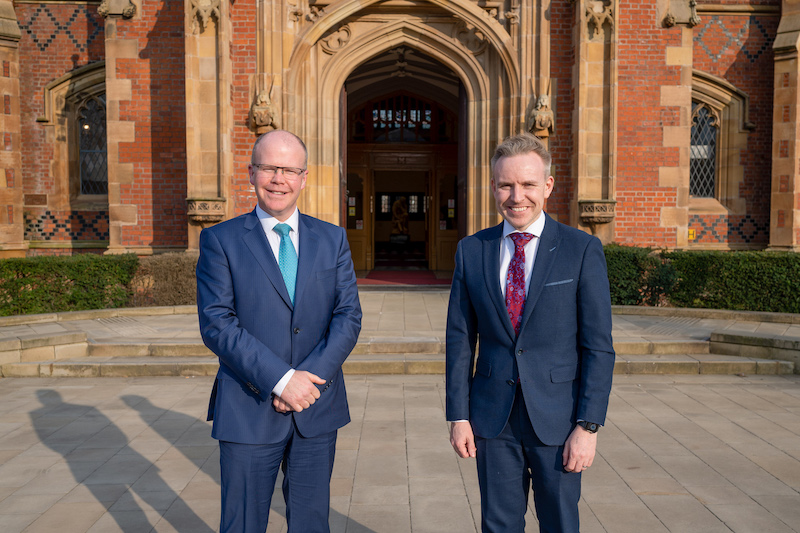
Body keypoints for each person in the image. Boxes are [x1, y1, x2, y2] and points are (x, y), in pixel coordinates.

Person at [445, 132, 615, 533]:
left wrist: (588, 426)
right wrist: (458, 415)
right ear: (493, 187)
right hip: (492, 418)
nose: (516, 196)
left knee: (559, 523)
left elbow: (598, 347)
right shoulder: (473, 250)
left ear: (548, 186)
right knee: (499, 525)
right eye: (505, 184)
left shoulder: (581, 249)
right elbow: (459, 339)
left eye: (527, 185)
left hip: (559, 419)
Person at [196, 130, 362, 533]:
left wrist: (306, 383)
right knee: (243, 524)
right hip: (248, 407)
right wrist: (282, 380)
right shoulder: (220, 240)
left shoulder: (333, 238)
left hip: (316, 407)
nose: (278, 179)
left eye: (289, 170)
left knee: (311, 524)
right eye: (269, 168)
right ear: (251, 173)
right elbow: (217, 323)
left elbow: (348, 316)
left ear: (304, 178)